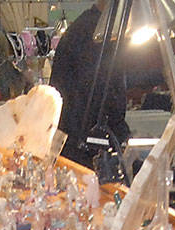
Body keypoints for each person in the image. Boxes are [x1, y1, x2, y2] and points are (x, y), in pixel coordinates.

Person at [51, 0, 129, 165]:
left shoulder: (90, 28)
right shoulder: (96, 34)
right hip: (83, 150)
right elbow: (104, 96)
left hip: (74, 144)